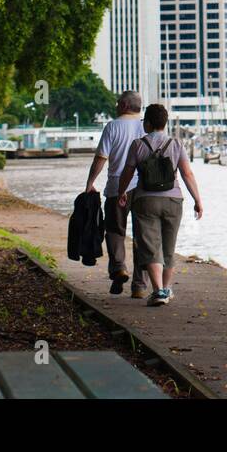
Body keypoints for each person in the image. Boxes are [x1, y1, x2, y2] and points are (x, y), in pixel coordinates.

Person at [116, 103, 203, 307]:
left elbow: (127, 172)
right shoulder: (176, 144)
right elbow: (187, 173)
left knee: (151, 247)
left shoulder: (138, 145)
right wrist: (197, 199)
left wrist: (121, 193)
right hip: (173, 200)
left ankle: (158, 291)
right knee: (168, 247)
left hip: (145, 200)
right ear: (165, 123)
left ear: (147, 123)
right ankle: (166, 288)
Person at [83, 91, 150, 297]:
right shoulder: (146, 127)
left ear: (122, 105)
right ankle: (139, 285)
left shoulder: (112, 126)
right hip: (143, 189)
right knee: (143, 236)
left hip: (115, 188)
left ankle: (119, 267)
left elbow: (101, 158)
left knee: (114, 230)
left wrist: (90, 183)